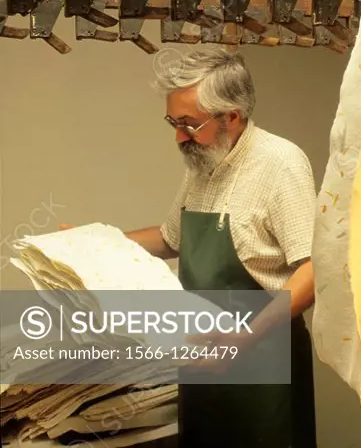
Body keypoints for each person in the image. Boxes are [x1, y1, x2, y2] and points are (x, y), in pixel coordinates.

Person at [71, 49, 318, 447]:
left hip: (263, 364)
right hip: (204, 358)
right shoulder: (203, 161)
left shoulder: (281, 163)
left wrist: (245, 338)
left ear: (231, 117)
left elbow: (312, 271)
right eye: (173, 122)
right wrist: (93, 240)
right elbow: (170, 238)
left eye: (188, 124)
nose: (178, 136)